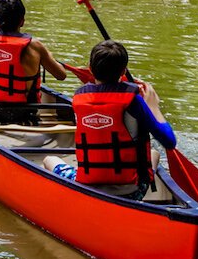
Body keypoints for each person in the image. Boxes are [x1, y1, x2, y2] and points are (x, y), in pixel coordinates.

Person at [60, 39, 176, 196]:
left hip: (86, 186)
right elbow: (169, 141)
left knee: (49, 160)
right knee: (154, 154)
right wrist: (153, 107)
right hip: (130, 191)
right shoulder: (134, 100)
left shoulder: (79, 96)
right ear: (123, 71)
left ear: (90, 69)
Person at [0, 0, 68, 123]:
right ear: (22, 21)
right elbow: (61, 75)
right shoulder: (35, 47)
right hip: (22, 112)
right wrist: (46, 53)